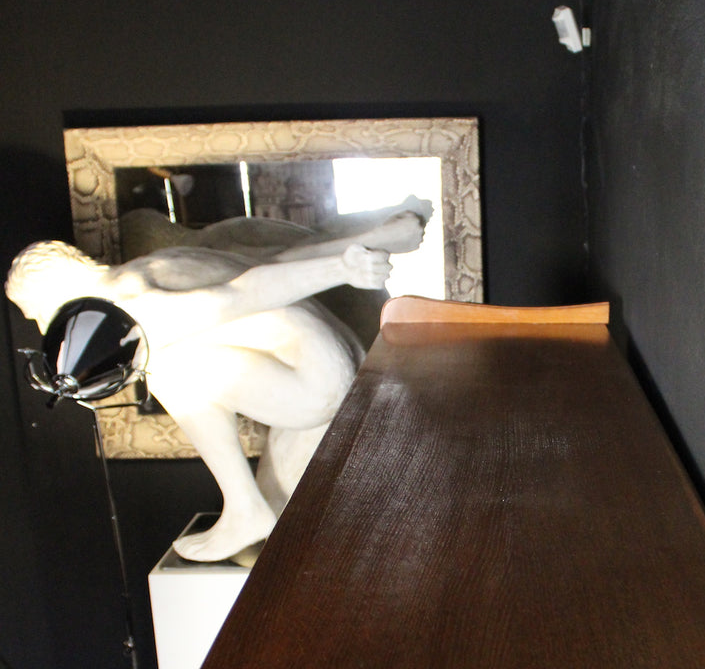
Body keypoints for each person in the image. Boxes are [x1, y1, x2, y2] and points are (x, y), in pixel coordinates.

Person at [6, 199, 429, 562]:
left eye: (38, 313)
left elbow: (247, 292)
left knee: (160, 365)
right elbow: (271, 263)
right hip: (337, 357)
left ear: (56, 292)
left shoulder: (135, 310)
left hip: (319, 384)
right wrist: (372, 242)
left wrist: (342, 269)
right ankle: (252, 509)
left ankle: (243, 507)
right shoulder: (149, 267)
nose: (45, 328)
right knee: (281, 532)